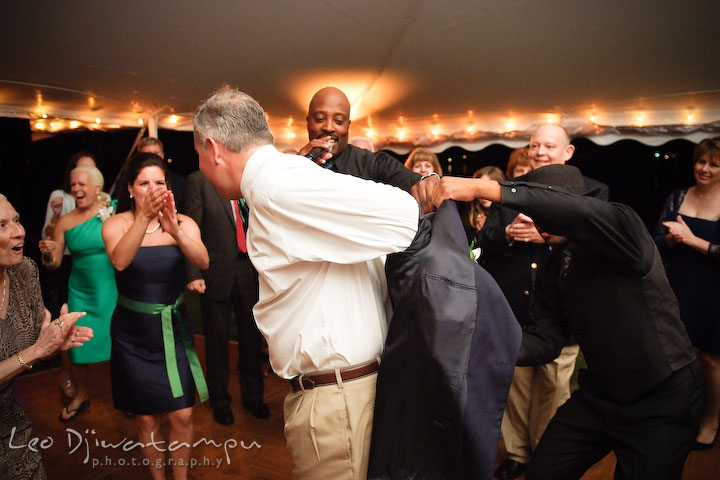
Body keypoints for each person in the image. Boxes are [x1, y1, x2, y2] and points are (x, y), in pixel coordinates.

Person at [193, 87, 420, 479]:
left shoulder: (277, 185)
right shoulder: (283, 178)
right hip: (341, 394)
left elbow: (405, 215)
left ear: (213, 148)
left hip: (337, 403)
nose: (201, 167)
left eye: (198, 156)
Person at [433, 165, 703, 480]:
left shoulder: (623, 228)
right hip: (600, 398)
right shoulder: (554, 267)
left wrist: (483, 188)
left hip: (662, 398)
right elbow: (545, 340)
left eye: (544, 213)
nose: (540, 224)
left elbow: (574, 212)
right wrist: (476, 342)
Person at [480, 125, 583, 480]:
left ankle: (545, 456)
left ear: (567, 153)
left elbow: (590, 241)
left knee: (552, 393)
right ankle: (517, 455)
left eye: (548, 145)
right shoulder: (508, 195)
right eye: (534, 144)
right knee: (516, 390)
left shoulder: (588, 192)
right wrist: (508, 234)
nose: (539, 151)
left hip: (562, 317)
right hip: (515, 312)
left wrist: (548, 237)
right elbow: (486, 240)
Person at [101, 153, 209, 480]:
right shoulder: (115, 224)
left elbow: (203, 260)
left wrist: (175, 230)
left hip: (173, 331)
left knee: (184, 414)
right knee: (147, 418)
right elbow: (120, 261)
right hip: (133, 336)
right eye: (144, 183)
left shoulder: (184, 222)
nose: (152, 189)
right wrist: (142, 219)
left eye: (159, 182)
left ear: (168, 187)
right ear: (131, 189)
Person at [0, 193, 93, 480]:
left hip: (9, 424)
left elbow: (34, 348)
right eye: (2, 225)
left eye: (16, 220)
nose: (19, 231)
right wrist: (38, 351)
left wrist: (54, 345)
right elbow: (32, 353)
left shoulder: (24, 273)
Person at [184, 170, 269, 424]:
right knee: (217, 340)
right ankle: (220, 400)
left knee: (252, 338)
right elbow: (191, 228)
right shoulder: (199, 180)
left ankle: (254, 396)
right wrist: (193, 272)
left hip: (249, 270)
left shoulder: (250, 176)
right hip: (214, 271)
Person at [654, 138, 720, 450]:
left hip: (713, 289)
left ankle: (711, 420)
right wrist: (670, 239)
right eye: (701, 162)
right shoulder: (678, 195)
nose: (704, 169)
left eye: (714, 164)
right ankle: (677, 415)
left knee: (709, 359)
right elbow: (656, 240)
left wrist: (693, 240)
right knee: (677, 353)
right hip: (678, 284)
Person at [37, 165, 116, 422]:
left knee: (120, 343)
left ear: (97, 187)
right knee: (78, 347)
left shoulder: (112, 211)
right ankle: (81, 395)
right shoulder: (65, 221)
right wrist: (48, 252)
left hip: (111, 288)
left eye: (81, 184)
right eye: (73, 185)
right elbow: (55, 263)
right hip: (81, 290)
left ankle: (127, 393)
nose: (75, 189)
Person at [299, 86, 438, 212]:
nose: (329, 127)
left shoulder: (373, 163)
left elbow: (409, 180)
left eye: (339, 121)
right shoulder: (293, 164)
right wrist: (295, 167)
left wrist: (428, 180)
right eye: (319, 119)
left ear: (348, 125)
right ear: (308, 122)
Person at [40, 151, 96, 399]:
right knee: (69, 322)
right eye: (79, 173)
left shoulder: (106, 203)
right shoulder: (60, 197)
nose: (82, 180)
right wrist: (55, 215)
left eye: (91, 172)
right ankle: (68, 375)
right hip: (70, 265)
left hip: (99, 272)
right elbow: (49, 237)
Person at [136, 136, 187, 213]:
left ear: (162, 155)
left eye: (155, 154)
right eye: (144, 183)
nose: (152, 158)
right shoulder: (132, 180)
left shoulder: (180, 182)